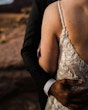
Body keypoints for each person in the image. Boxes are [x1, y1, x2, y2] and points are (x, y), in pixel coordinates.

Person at [21, 0, 88, 109]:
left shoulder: (53, 10)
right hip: (56, 97)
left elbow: (47, 66)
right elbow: (27, 51)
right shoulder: (43, 3)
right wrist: (50, 86)